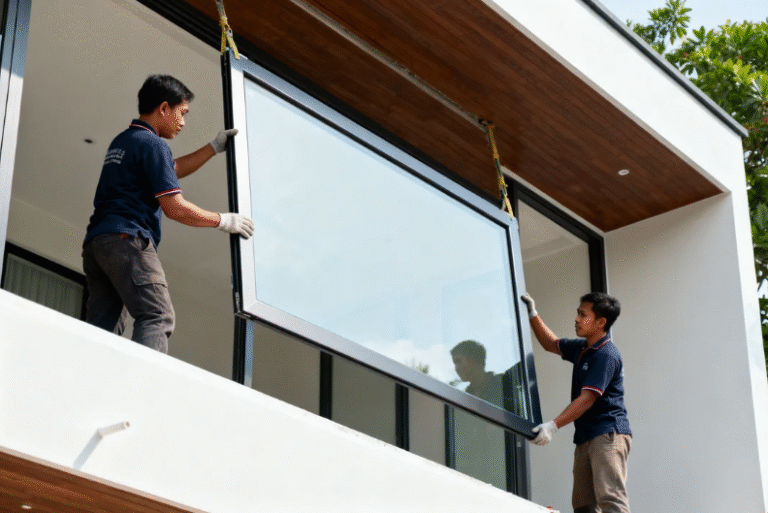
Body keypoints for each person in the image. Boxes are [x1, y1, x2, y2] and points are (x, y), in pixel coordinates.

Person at [82, 74, 254, 354]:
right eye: (182, 113)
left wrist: (213, 147)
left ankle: (92, 384)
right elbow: (174, 207)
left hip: (99, 244)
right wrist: (224, 221)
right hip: (129, 240)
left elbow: (170, 170)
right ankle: (145, 388)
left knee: (104, 328)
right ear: (164, 108)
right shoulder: (153, 145)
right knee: (157, 316)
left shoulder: (126, 140)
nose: (184, 122)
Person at [521, 292, 632, 513]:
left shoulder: (606, 355)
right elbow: (551, 343)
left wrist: (552, 426)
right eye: (578, 313)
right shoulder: (583, 348)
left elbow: (587, 399)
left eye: (583, 315)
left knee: (611, 502)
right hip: (585, 436)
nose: (577, 319)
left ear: (601, 322)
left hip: (607, 434)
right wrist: (532, 313)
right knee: (583, 507)